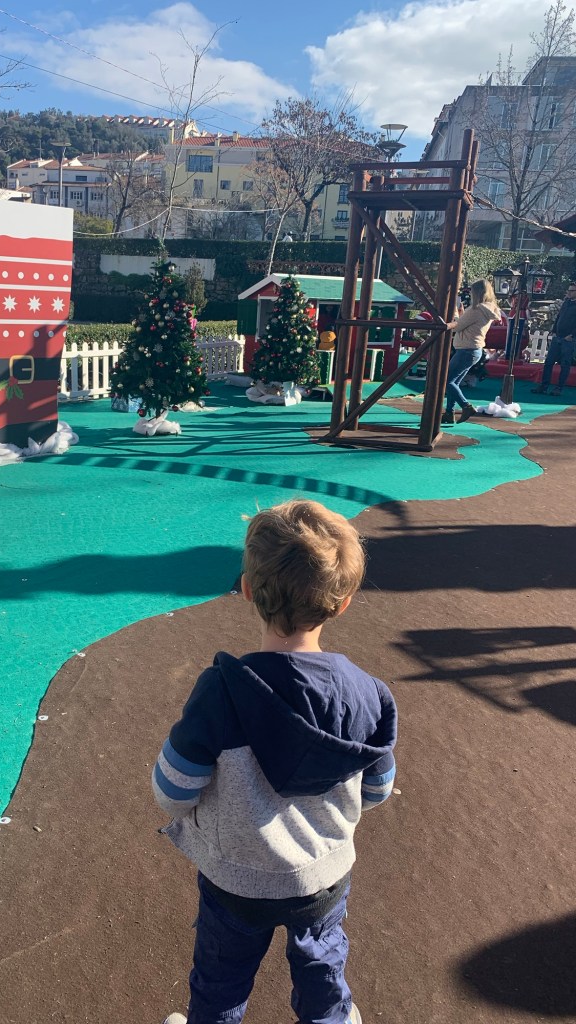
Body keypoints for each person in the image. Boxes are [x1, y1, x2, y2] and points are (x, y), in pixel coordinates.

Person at [153, 500, 398, 1024]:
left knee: (221, 977)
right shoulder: (370, 695)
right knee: (322, 964)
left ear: (247, 589)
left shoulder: (221, 691)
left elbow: (173, 790)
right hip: (322, 876)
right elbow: (377, 790)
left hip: (237, 880)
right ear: (343, 603)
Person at [442, 279, 501, 425]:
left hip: (466, 349)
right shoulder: (488, 310)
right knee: (454, 382)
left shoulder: (476, 310)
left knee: (447, 381)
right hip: (474, 350)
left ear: (476, 293)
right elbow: (464, 324)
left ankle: (466, 406)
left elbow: (457, 327)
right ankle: (449, 412)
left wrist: (455, 313)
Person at [532, 282, 576, 396]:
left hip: (568, 339)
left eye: (572, 291)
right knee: (549, 362)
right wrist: (554, 330)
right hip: (558, 336)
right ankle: (543, 386)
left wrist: (572, 335)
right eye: (568, 290)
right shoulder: (566, 302)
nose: (569, 292)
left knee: (565, 364)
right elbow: (559, 316)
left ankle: (559, 388)